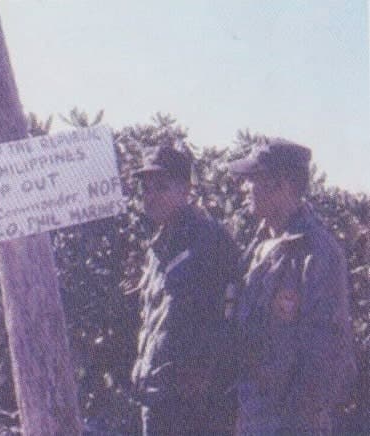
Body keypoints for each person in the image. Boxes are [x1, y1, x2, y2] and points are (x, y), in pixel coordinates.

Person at [228, 138, 357, 435]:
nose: (246, 188)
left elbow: (328, 356)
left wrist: (295, 420)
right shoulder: (259, 245)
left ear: (282, 186)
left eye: (254, 180)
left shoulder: (318, 253)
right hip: (251, 415)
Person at [131, 145, 240, 435]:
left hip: (193, 408)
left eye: (161, 187)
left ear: (186, 190)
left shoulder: (209, 242)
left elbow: (227, 322)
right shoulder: (160, 244)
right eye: (147, 188)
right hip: (157, 396)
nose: (150, 196)